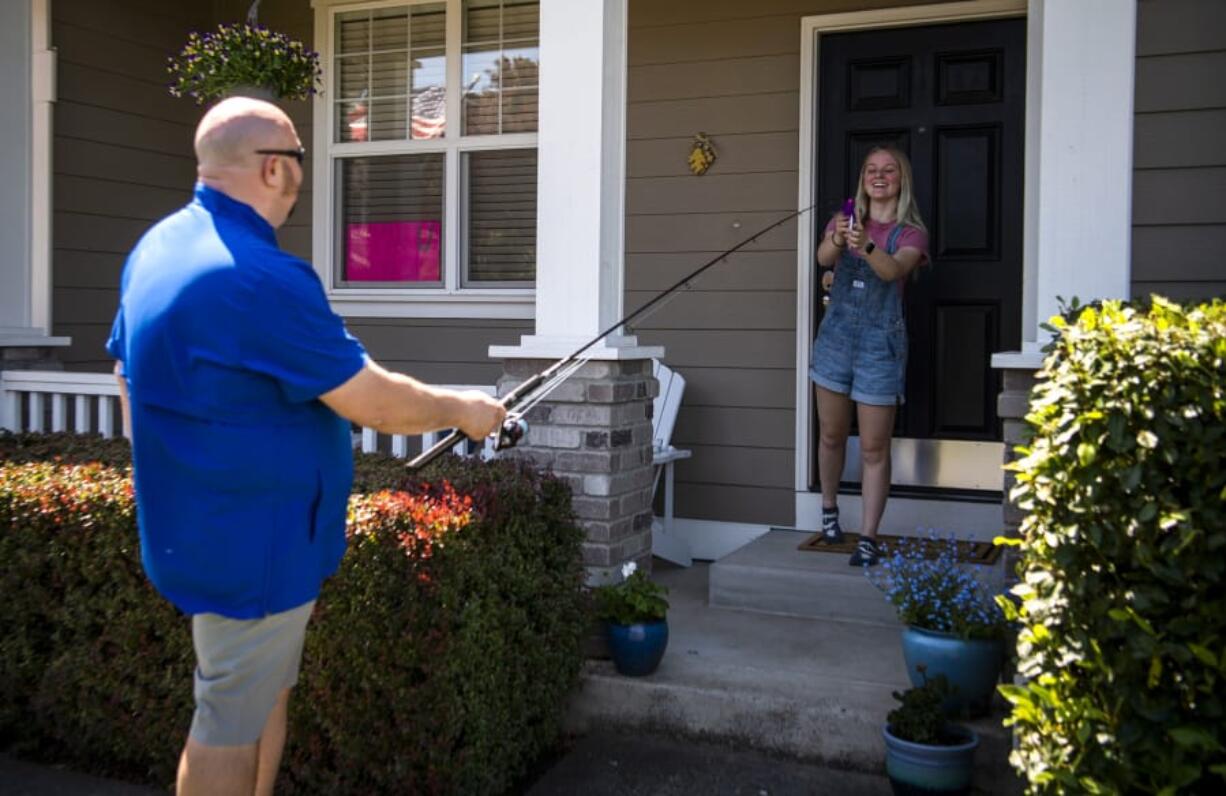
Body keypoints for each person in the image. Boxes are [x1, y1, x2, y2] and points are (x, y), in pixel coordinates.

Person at [107, 97, 506, 796]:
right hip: (254, 545)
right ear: (272, 170)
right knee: (227, 715)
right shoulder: (259, 277)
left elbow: (124, 373)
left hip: (212, 531)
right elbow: (371, 399)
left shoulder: (159, 247)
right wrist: (464, 409)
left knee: (262, 695)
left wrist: (172, 472)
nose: (301, 169)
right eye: (297, 155)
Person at [810, 146, 929, 567]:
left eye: (889, 170)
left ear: (901, 179)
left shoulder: (911, 232)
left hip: (880, 346)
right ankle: (828, 512)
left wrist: (866, 247)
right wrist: (838, 238)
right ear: (863, 179)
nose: (879, 177)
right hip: (836, 339)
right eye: (871, 170)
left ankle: (868, 537)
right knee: (830, 435)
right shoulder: (845, 217)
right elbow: (823, 258)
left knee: (875, 447)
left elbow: (894, 270)